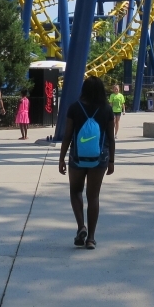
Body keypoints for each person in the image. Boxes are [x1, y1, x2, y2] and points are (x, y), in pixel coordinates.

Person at [58, 76, 115, 250]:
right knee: (94, 196)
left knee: (75, 191)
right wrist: (112, 160)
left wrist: (61, 158)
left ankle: (81, 226)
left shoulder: (75, 108)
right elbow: (111, 138)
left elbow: (67, 135)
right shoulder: (107, 109)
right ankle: (91, 238)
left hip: (77, 156)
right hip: (100, 157)